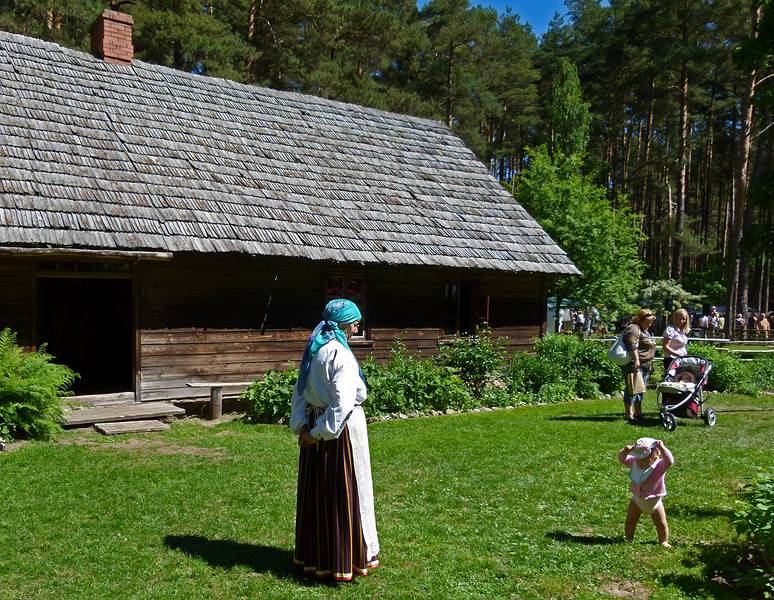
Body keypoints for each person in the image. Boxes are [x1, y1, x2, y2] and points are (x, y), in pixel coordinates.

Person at [289, 299, 380, 581]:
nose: (357, 326)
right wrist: (317, 434)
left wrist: (304, 428)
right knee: (345, 492)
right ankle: (343, 560)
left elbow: (299, 393)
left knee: (319, 495)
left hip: (318, 425)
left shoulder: (315, 350)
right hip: (340, 434)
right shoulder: (338, 353)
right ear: (343, 324)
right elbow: (342, 404)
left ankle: (318, 556)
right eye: (354, 321)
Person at [618, 437, 674, 548]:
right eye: (638, 459)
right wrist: (625, 451)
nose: (640, 463)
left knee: (661, 523)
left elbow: (669, 461)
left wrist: (663, 449)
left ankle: (663, 541)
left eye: (644, 460)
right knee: (630, 521)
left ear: (655, 457)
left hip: (654, 501)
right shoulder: (634, 462)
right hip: (637, 500)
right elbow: (622, 459)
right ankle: (629, 538)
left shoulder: (659, 466)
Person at [621, 308, 657, 422]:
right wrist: (636, 360)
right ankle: (629, 414)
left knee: (640, 389)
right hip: (635, 364)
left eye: (651, 322)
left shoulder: (645, 330)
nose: (650, 324)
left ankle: (638, 412)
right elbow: (632, 346)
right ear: (640, 320)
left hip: (645, 365)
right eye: (648, 322)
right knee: (632, 388)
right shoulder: (634, 328)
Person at [662, 308, 690, 373]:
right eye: (679, 319)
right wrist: (677, 354)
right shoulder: (670, 329)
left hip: (681, 359)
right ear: (675, 318)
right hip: (671, 359)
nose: (681, 321)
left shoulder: (682, 330)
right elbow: (665, 347)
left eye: (684, 319)